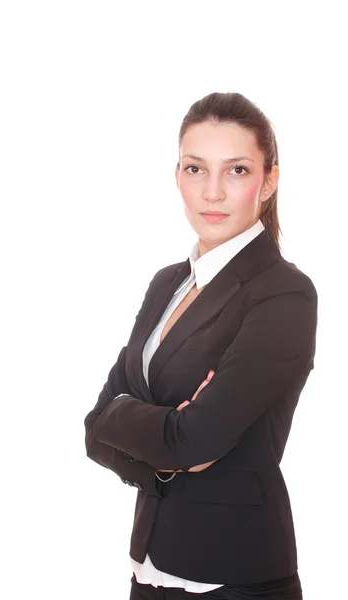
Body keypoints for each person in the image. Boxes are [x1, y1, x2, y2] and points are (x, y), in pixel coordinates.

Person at [84, 92, 318, 599]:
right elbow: (95, 428)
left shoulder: (284, 293)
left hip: (235, 575)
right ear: (178, 176)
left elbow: (197, 439)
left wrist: (142, 425)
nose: (212, 191)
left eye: (236, 170)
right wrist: (162, 442)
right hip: (149, 568)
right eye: (196, 169)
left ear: (268, 180)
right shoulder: (166, 284)